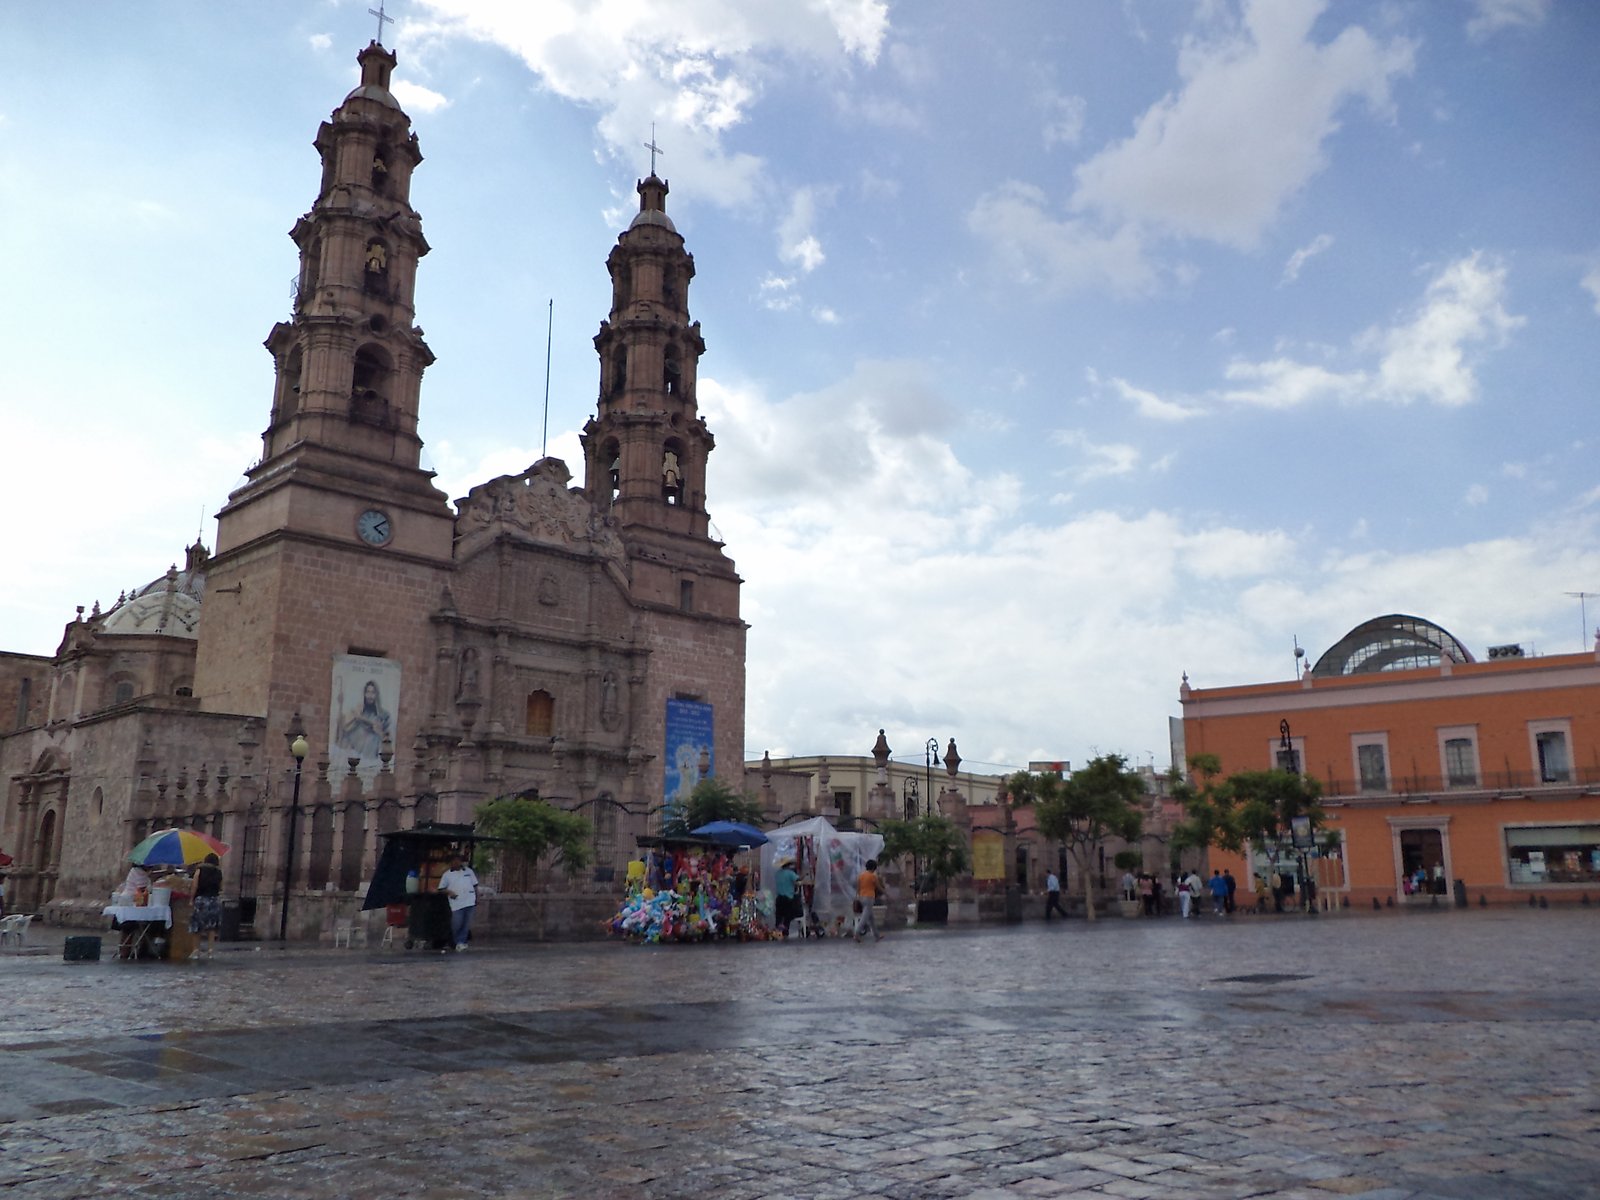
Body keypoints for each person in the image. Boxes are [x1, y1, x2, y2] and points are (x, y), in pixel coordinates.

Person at [335, 679, 393, 760]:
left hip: (372, 758)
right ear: (364, 694)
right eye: (367, 692)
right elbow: (344, 729)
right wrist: (340, 705)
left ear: (377, 695)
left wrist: (362, 719)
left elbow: (384, 734)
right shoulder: (359, 710)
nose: (370, 696)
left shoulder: (384, 715)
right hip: (356, 759)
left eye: (373, 692)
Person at [438, 853, 479, 952]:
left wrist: (477, 897)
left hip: (469, 900)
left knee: (466, 923)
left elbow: (475, 885)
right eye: (454, 861)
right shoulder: (447, 875)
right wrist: (450, 892)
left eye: (458, 860)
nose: (456, 863)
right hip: (457, 903)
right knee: (457, 923)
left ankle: (461, 942)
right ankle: (455, 940)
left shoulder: (468, 872)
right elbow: (441, 889)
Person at [187, 852, 224, 959]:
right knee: (211, 927)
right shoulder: (219, 872)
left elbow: (195, 885)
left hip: (201, 900)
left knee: (196, 926)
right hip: (213, 900)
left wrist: (191, 899)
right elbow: (221, 887)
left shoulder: (199, 870)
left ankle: (196, 950)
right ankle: (210, 950)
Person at [854, 858, 884, 942]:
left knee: (871, 918)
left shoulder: (861, 875)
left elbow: (858, 887)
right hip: (869, 897)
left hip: (862, 897)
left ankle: (877, 935)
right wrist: (886, 894)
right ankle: (857, 933)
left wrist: (857, 897)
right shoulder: (873, 876)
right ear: (874, 868)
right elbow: (879, 887)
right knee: (864, 917)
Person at [774, 856, 799, 938]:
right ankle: (785, 930)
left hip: (779, 898)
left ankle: (777, 931)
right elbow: (797, 881)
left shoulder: (778, 873)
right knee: (788, 915)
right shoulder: (790, 873)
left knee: (779, 915)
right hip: (788, 898)